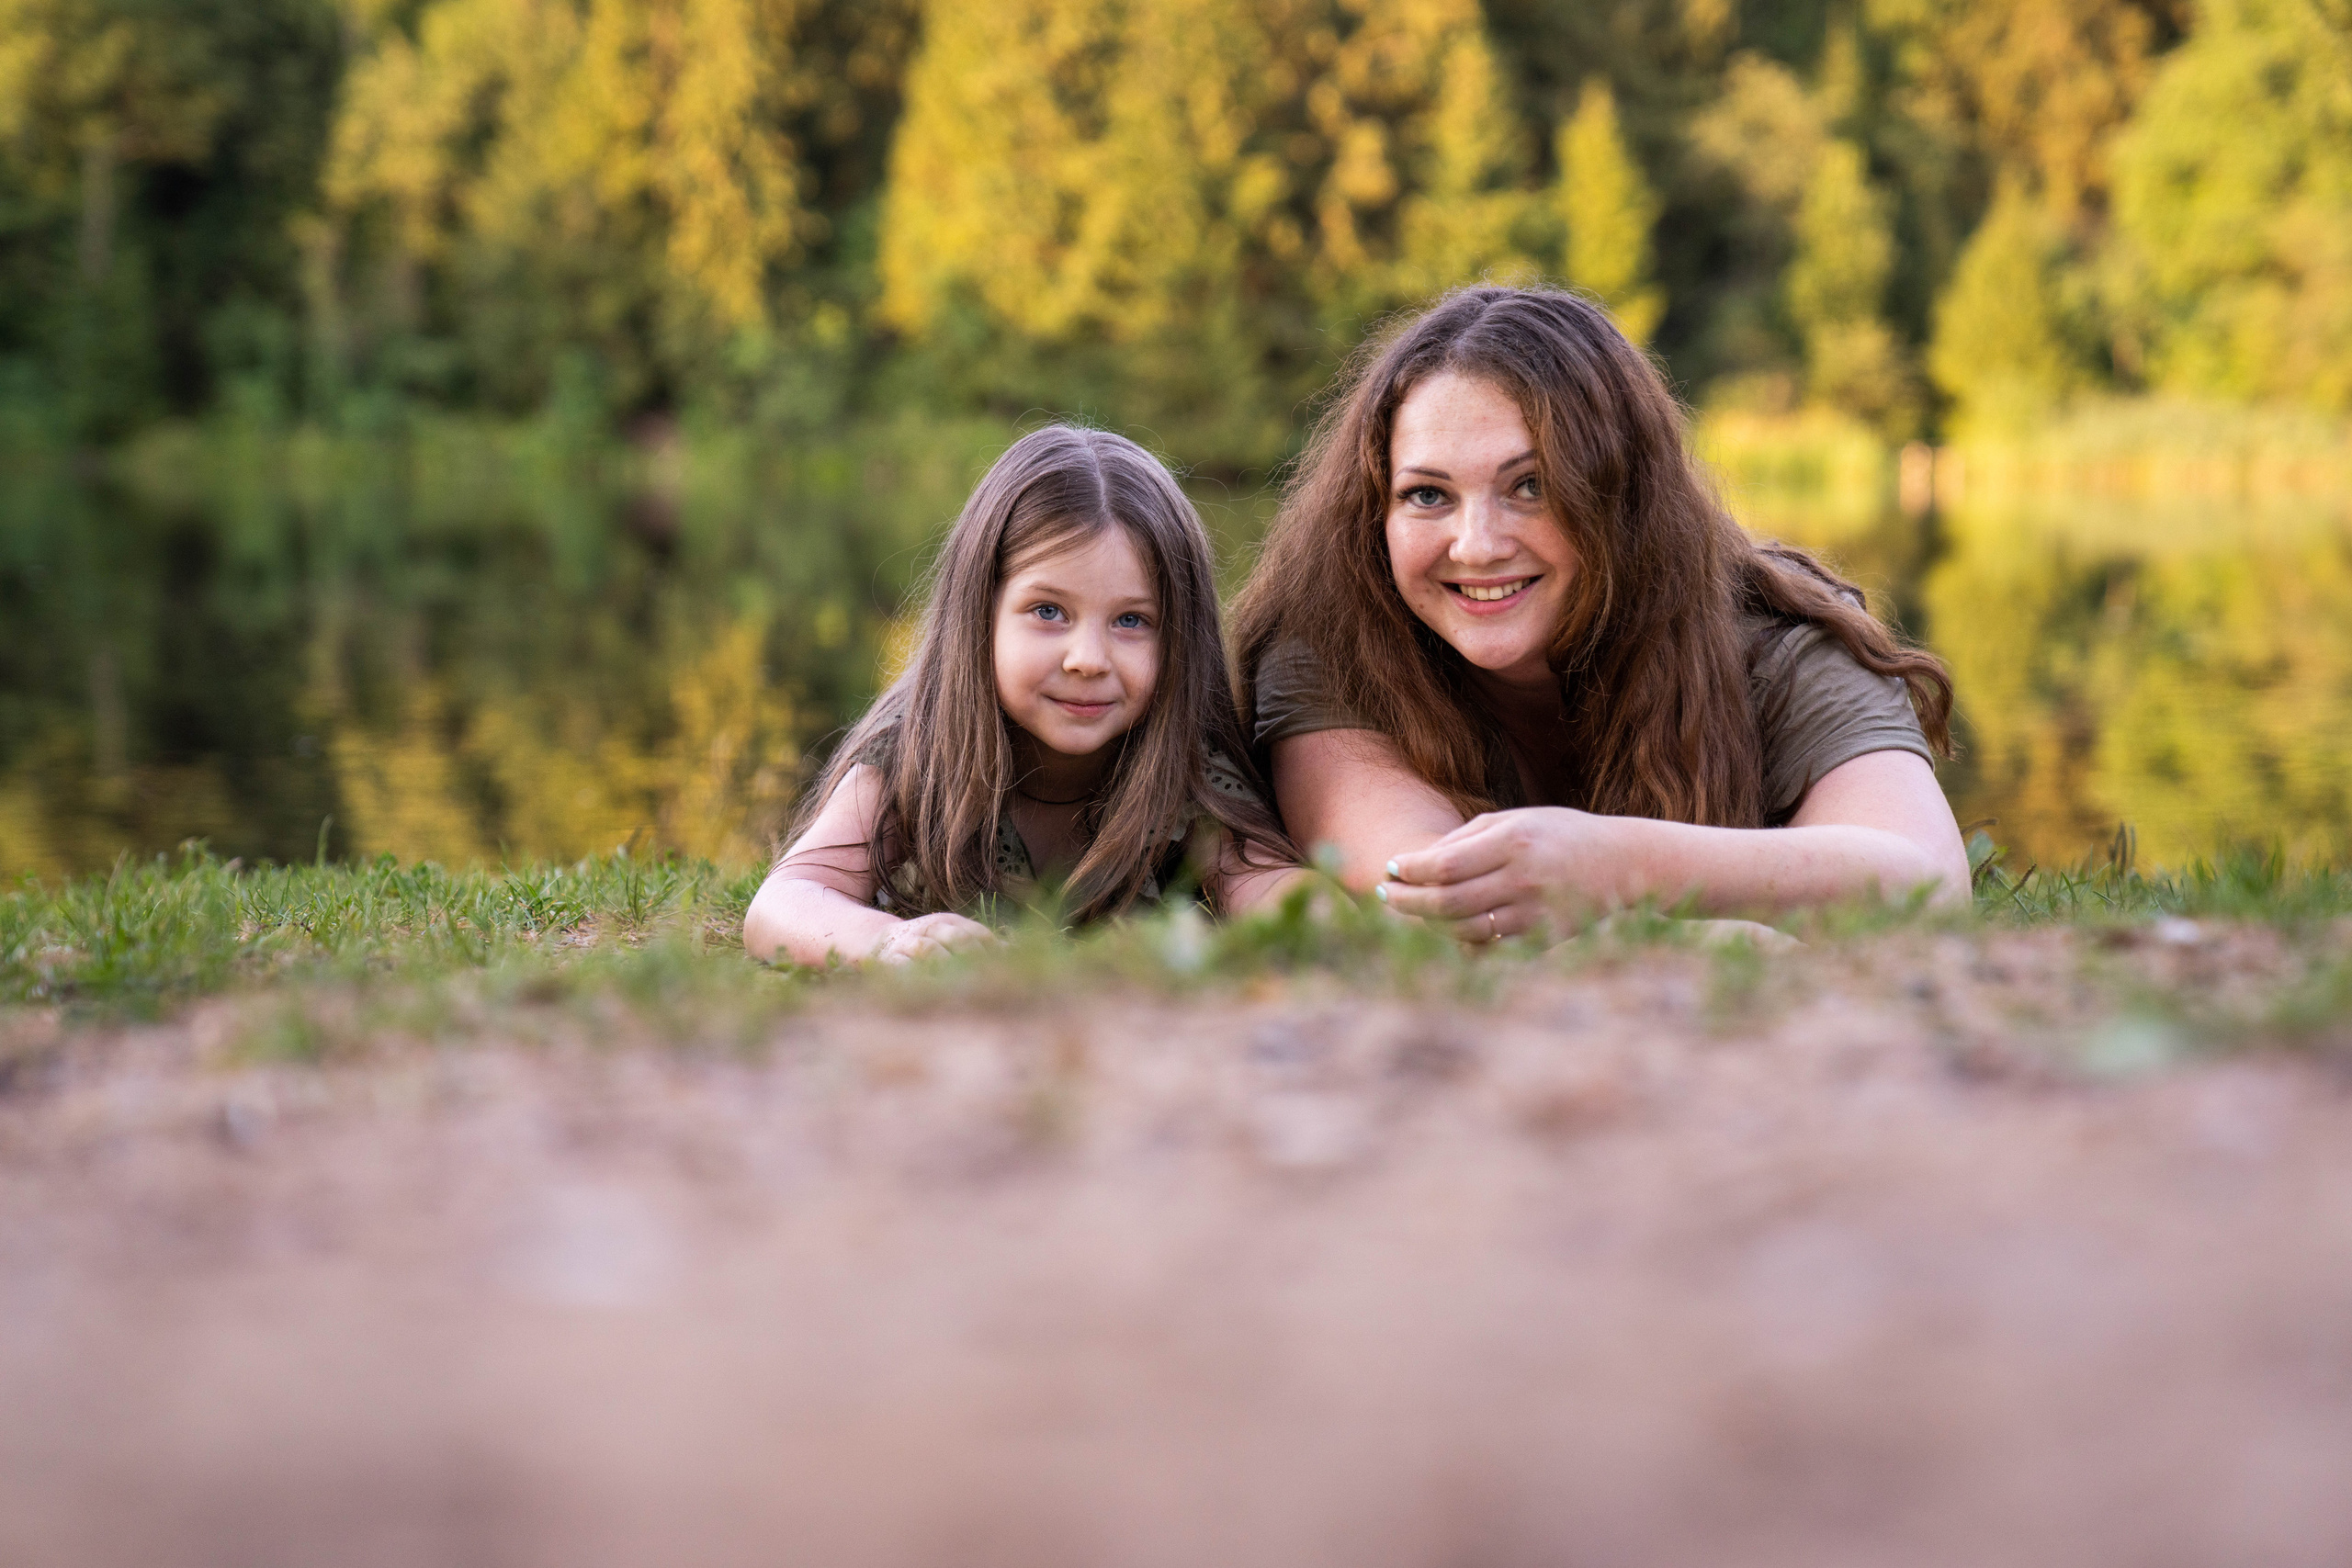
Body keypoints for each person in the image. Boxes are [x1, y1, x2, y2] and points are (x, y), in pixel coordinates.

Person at [1229, 285, 1970, 942]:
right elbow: (1436, 900)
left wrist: (1615, 864)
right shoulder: (1334, 640)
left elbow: (1923, 883)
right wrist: (1717, 937)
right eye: (1427, 495)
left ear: (1625, 497)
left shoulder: (1777, 634)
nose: (1477, 545)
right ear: (1376, 515)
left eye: (1531, 486)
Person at [743, 424, 1303, 965]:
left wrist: (1320, 919)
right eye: (1048, 611)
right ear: (980, 612)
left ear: (1181, 638)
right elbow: (785, 902)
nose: (1088, 659)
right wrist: (888, 942)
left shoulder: (1186, 759)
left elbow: (1272, 887)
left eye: (1131, 620)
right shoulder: (917, 747)